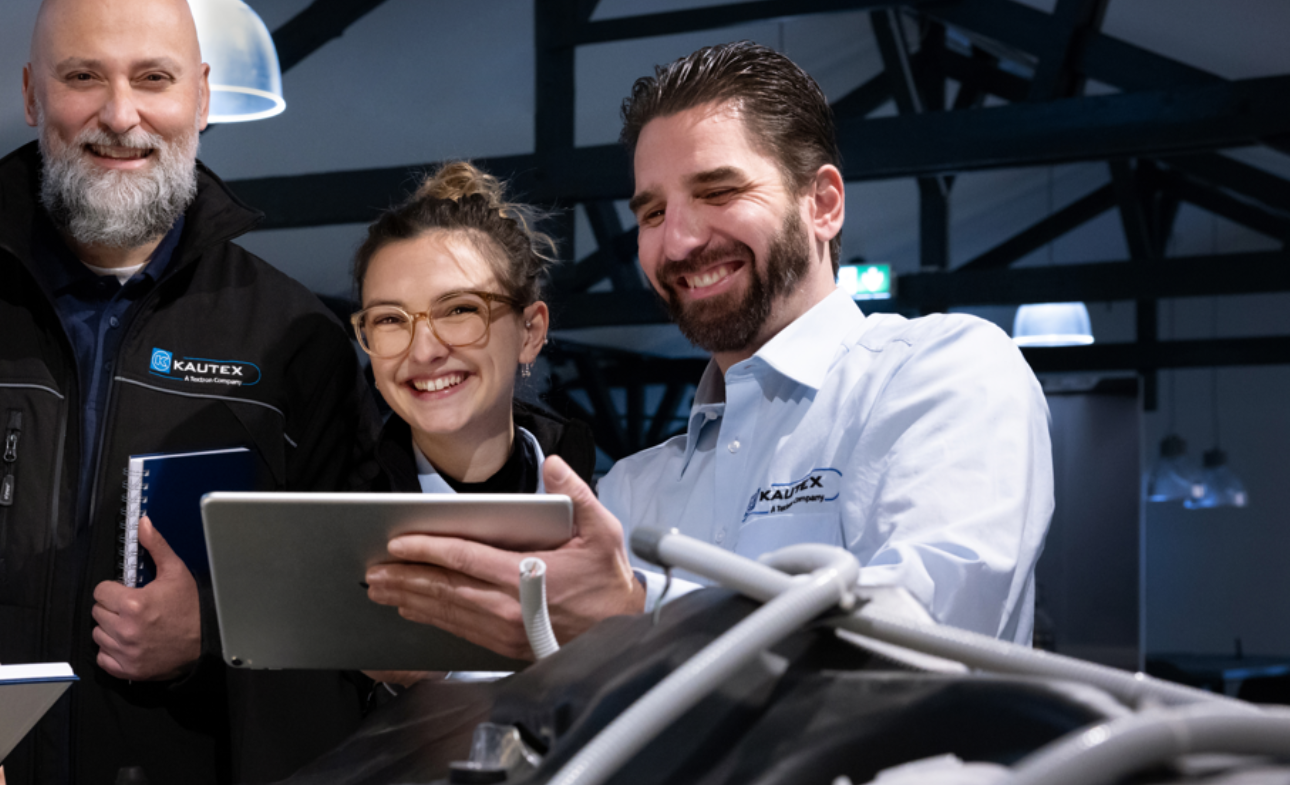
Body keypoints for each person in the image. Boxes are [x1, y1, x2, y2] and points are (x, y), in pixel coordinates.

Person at [364, 41, 1054, 656]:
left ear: (823, 204)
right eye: (653, 212)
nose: (680, 241)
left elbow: (926, 637)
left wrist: (635, 615)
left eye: (718, 191)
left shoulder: (942, 370)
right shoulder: (637, 486)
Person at [0, 0, 375, 785]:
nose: (120, 115)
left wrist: (219, 631)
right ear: (31, 94)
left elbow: (357, 605)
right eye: (83, 76)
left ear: (200, 97)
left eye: (152, 79)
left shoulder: (295, 334)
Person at [349, 161, 596, 495]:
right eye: (389, 319)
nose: (423, 351)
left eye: (459, 310)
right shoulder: (340, 532)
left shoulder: (614, 509)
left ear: (530, 331)